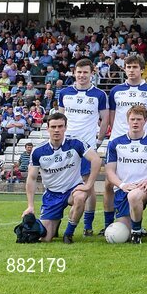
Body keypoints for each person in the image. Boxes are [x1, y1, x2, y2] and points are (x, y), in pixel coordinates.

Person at [22, 112, 101, 243]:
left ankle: (68, 233)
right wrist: (30, 206)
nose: (57, 130)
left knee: (81, 197)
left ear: (65, 127)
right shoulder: (38, 151)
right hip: (52, 194)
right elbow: (31, 178)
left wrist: (88, 185)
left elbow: (96, 160)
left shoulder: (76, 143)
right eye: (53, 127)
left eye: (60, 126)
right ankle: (55, 220)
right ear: (47, 128)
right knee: (45, 238)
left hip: (73, 189)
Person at [105, 54, 147, 234]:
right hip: (120, 141)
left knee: (139, 180)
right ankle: (108, 223)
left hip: (141, 140)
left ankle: (141, 218)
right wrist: (118, 136)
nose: (131, 70)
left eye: (135, 67)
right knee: (109, 183)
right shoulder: (116, 91)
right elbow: (113, 117)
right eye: (128, 67)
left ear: (142, 69)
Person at [57, 58, 109, 237]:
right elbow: (60, 117)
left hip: (86, 147)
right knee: (63, 182)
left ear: (91, 73)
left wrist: (99, 140)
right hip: (67, 146)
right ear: (74, 73)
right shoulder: (64, 93)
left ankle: (88, 225)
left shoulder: (99, 95)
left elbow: (105, 120)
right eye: (79, 72)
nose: (82, 75)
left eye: (85, 72)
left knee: (89, 186)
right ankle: (56, 218)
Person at [105, 105, 147, 243]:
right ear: (127, 120)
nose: (135, 122)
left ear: (145, 121)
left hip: (142, 189)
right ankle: (136, 227)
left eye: (139, 119)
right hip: (122, 189)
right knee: (123, 231)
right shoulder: (115, 143)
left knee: (134, 196)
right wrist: (122, 185)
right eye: (132, 119)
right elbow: (109, 171)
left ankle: (136, 233)